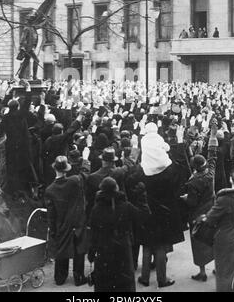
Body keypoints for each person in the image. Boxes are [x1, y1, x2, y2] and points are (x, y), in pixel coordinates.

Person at [138, 124, 186, 288]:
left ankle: (144, 278)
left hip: (146, 209)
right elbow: (182, 167)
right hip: (165, 210)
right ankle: (162, 279)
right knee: (160, 245)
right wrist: (180, 141)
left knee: (146, 244)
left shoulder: (141, 169)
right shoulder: (169, 169)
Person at [88, 176, 150, 292]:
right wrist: (142, 197)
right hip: (123, 249)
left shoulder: (96, 209)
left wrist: (91, 252)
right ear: (116, 188)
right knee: (124, 282)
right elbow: (143, 216)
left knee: (105, 283)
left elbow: (93, 233)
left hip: (104, 250)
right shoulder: (125, 206)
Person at [182, 124, 218, 282]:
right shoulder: (210, 172)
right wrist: (213, 135)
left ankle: (202, 272)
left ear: (194, 167)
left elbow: (191, 201)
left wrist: (184, 198)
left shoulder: (193, 182)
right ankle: (217, 267)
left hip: (197, 214)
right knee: (213, 239)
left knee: (198, 242)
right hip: (212, 209)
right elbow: (212, 156)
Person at [45, 156, 88, 287]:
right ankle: (78, 277)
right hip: (77, 221)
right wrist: (85, 159)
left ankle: (60, 277)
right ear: (66, 170)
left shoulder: (49, 190)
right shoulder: (74, 181)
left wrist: (53, 230)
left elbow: (51, 215)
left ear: (55, 169)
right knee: (79, 249)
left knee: (61, 250)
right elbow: (85, 174)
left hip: (61, 224)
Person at [205, 170, 234, 291]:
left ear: (231, 180)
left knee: (223, 270)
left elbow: (210, 218)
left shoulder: (224, 199)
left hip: (224, 238)